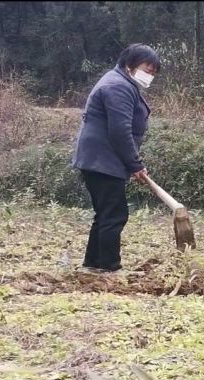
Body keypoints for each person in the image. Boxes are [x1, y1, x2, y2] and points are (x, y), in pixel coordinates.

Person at [70, 43, 159, 273]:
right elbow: (120, 131)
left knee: (106, 214)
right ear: (130, 65)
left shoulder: (121, 82)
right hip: (102, 160)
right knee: (115, 214)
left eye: (153, 72)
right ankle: (110, 267)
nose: (149, 76)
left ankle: (93, 265)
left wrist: (132, 163)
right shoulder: (117, 87)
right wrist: (135, 164)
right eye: (146, 69)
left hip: (102, 160)